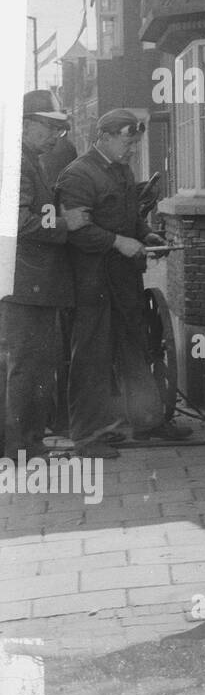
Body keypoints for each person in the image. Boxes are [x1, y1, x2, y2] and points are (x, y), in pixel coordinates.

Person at [55, 109, 191, 446]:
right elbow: (77, 231)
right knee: (92, 354)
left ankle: (147, 420)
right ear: (105, 137)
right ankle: (88, 435)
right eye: (127, 142)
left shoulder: (122, 170)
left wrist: (146, 235)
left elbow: (130, 216)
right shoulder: (78, 176)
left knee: (136, 347)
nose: (132, 150)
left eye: (135, 143)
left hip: (124, 278)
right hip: (93, 281)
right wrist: (119, 242)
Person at [0, 94, 90, 461]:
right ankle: (22, 446)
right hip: (27, 285)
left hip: (33, 284)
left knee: (35, 365)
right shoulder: (17, 165)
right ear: (25, 123)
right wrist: (65, 223)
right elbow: (17, 222)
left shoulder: (29, 162)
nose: (57, 135)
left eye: (61, 128)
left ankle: (29, 443)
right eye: (51, 126)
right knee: (28, 366)